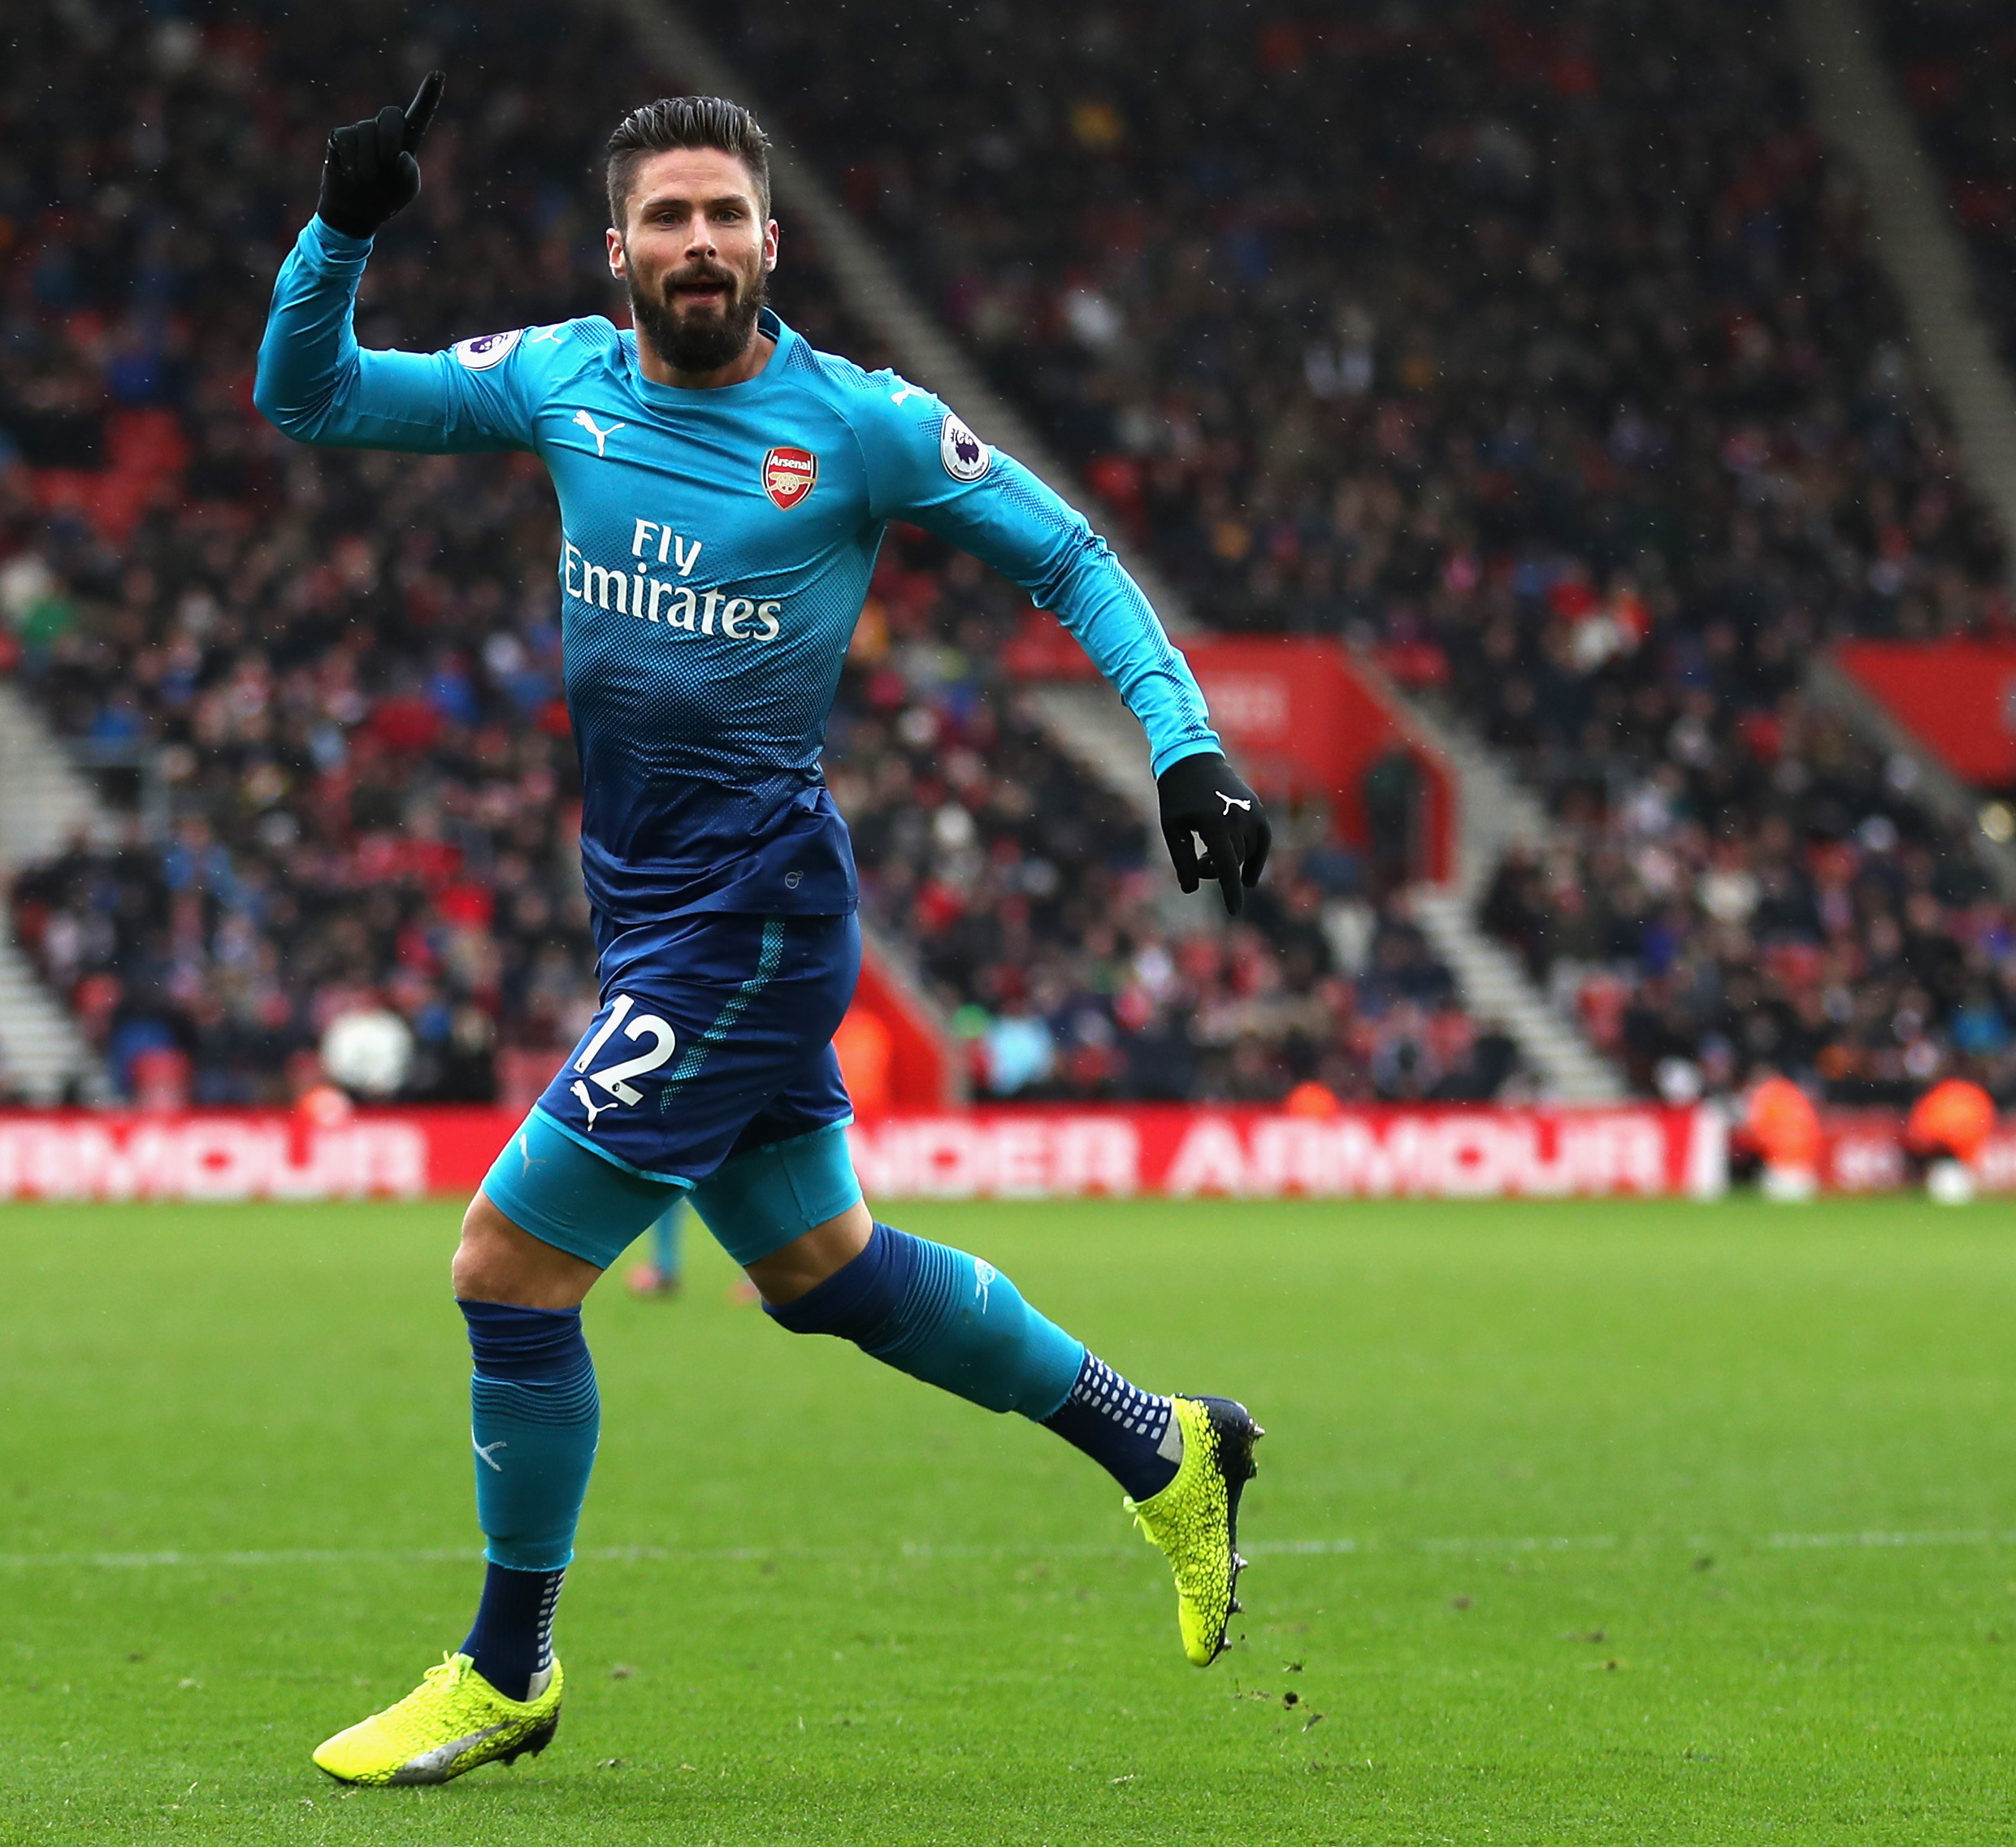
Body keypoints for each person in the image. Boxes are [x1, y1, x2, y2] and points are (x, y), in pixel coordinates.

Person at [258, 81, 1274, 1787]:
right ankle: (1163, 1447)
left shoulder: (859, 425)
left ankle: (507, 1669)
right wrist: (339, 231)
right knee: (825, 1275)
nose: (699, 244)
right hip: (651, 909)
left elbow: (1071, 555)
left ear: (770, 242)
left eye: (725, 216)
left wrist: (1180, 742)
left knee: (506, 1269)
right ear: (619, 251)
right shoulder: (556, 379)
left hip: (751, 915)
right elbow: (313, 395)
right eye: (668, 218)